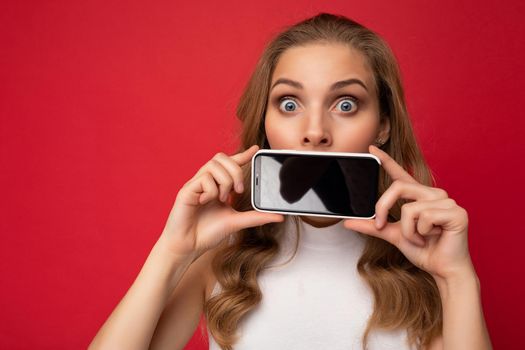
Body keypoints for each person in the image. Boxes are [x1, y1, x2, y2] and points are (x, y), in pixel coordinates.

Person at [89, 13, 492, 350]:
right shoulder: (220, 262)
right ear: (265, 123)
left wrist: (457, 278)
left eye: (346, 104)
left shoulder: (423, 269)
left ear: (382, 125)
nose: (314, 131)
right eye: (289, 103)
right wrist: (173, 252)